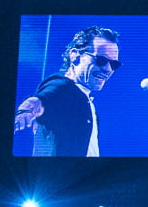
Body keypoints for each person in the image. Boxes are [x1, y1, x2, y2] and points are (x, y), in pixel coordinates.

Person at [14, 25, 120, 157]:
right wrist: (28, 109)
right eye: (101, 60)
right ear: (75, 56)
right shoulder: (64, 88)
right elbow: (48, 94)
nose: (108, 69)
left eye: (114, 64)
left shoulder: (86, 103)